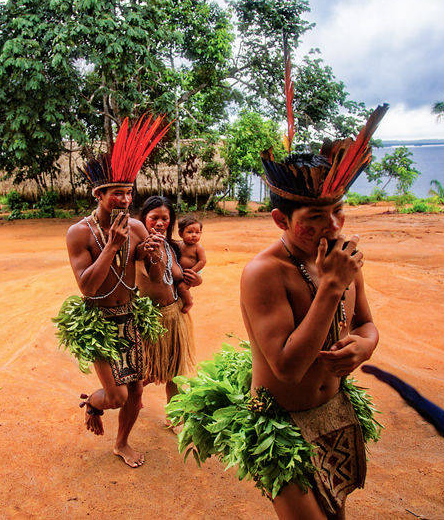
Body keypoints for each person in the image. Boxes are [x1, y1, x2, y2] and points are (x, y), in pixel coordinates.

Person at [165, 41, 389, 517]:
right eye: (315, 216)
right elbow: (286, 366)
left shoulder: (345, 259)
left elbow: (367, 324)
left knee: (335, 513)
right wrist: (329, 288)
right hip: (280, 423)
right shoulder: (264, 273)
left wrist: (366, 346)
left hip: (335, 411)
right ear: (280, 220)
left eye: (338, 213)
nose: (331, 228)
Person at [55, 115, 170, 468]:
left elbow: (155, 276)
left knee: (136, 391)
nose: (125, 199)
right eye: (117, 193)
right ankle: (93, 401)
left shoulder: (136, 226)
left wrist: (154, 256)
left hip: (131, 317)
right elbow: (87, 288)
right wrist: (110, 247)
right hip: (99, 322)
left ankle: (121, 443)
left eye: (129, 192)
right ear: (98, 194)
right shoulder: (79, 233)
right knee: (117, 395)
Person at [136, 196, 201, 426]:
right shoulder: (137, 249)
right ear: (144, 219)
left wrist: (195, 279)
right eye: (154, 218)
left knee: (174, 371)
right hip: (152, 321)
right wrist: (147, 249)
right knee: (150, 373)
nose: (160, 222)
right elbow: (150, 276)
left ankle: (174, 418)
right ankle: (121, 395)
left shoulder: (172, 247)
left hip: (175, 315)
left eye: (166, 218)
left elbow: (179, 278)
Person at [176, 216, 206, 313]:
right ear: (180, 233)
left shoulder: (198, 247)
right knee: (177, 286)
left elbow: (202, 261)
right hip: (181, 272)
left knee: (181, 287)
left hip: (192, 273)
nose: (194, 235)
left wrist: (192, 271)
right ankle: (186, 296)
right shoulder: (179, 244)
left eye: (197, 232)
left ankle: (189, 302)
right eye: (190, 232)